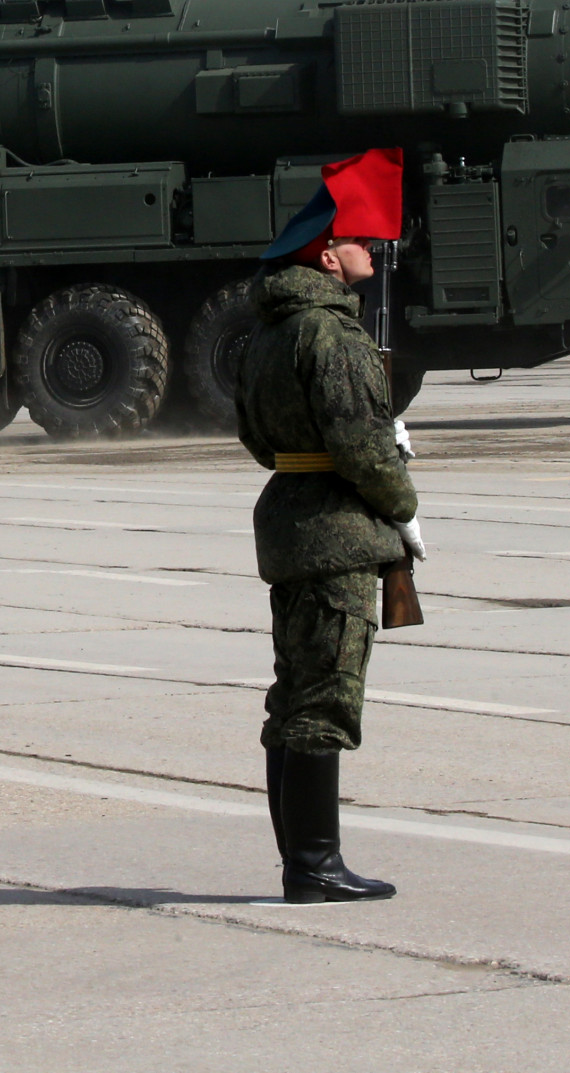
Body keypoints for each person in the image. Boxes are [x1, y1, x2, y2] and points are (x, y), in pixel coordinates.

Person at [235, 156, 422, 904]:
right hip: (339, 529)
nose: (371, 252)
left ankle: (304, 861)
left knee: (294, 695)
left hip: (291, 518)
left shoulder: (267, 335)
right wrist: (401, 501)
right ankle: (315, 865)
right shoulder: (331, 336)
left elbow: (256, 438)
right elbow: (363, 444)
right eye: (359, 241)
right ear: (325, 254)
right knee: (325, 699)